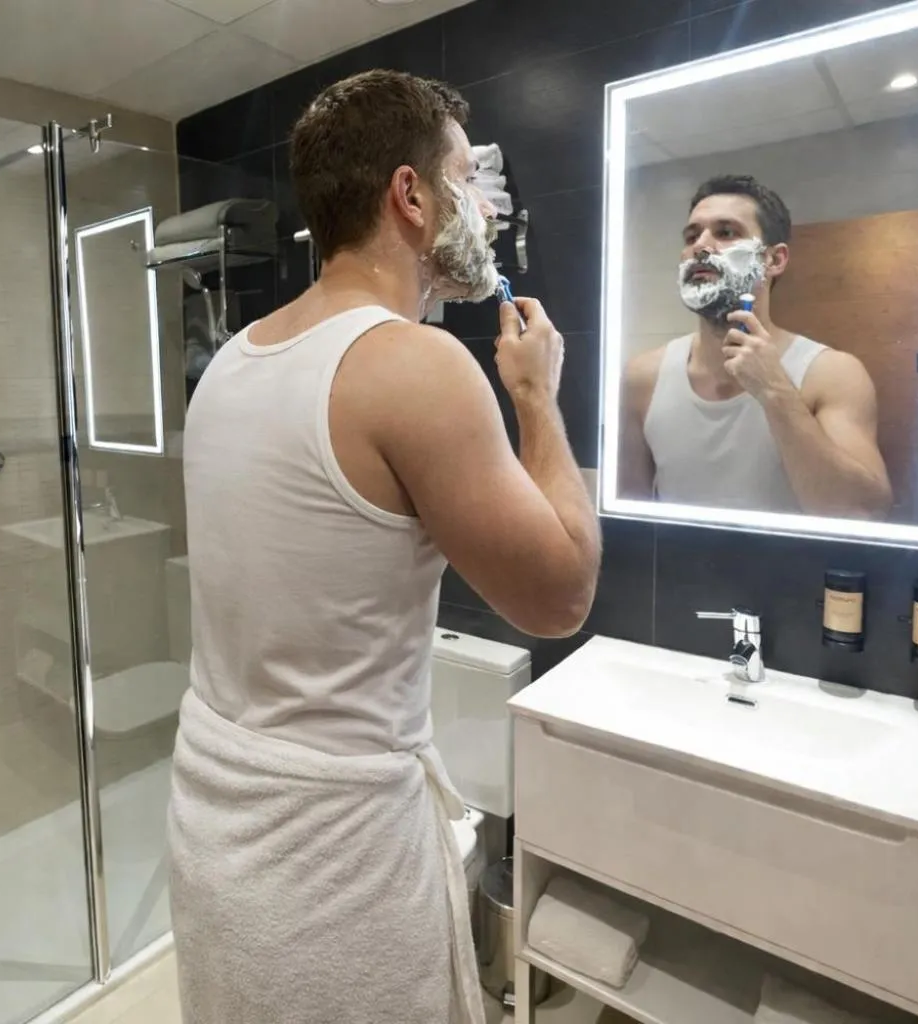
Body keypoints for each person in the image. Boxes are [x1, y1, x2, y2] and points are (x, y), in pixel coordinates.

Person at [169, 70, 601, 1024]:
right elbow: (561, 595)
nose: (485, 208)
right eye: (466, 178)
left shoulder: (231, 364)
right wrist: (537, 395)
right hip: (333, 872)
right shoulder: (414, 364)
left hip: (218, 840)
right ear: (411, 196)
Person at [618, 174, 892, 518]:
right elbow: (629, 516)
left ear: (774, 260)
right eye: (692, 235)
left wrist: (775, 390)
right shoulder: (643, 377)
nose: (701, 246)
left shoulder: (831, 374)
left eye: (726, 232)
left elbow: (862, 514)